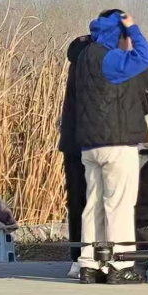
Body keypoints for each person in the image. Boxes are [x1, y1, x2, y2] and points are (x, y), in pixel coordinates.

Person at [74, 9, 148, 284]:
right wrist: (133, 28)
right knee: (118, 205)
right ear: (118, 34)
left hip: (90, 144)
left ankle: (89, 264)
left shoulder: (85, 57)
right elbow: (145, 57)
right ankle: (120, 264)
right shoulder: (111, 59)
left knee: (93, 206)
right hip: (117, 143)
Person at [57, 33, 91, 278]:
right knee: (82, 202)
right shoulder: (91, 58)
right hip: (84, 142)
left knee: (79, 202)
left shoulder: (81, 56)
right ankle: (80, 255)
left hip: (76, 141)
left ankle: (79, 256)